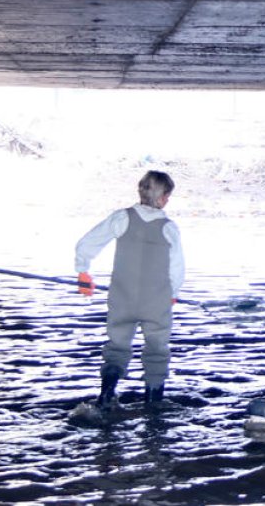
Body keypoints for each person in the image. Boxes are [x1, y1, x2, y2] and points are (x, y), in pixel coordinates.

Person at [75, 170, 185, 407]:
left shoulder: (121, 218)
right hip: (156, 303)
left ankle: (106, 396)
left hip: (122, 299)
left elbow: (87, 243)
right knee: (156, 350)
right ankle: (153, 404)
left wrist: (83, 271)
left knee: (117, 347)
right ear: (163, 198)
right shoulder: (169, 227)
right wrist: (173, 295)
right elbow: (177, 268)